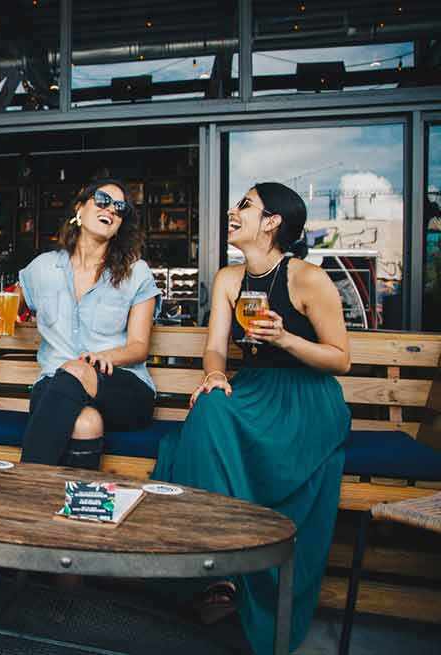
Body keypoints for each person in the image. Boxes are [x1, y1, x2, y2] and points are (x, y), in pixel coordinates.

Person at [153, 182, 351, 655]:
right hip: (253, 389)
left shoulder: (307, 279)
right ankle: (214, 571)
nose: (231, 211)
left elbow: (341, 359)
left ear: (272, 221)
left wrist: (286, 340)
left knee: (203, 427)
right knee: (209, 405)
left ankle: (233, 571)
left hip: (306, 399)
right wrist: (216, 374)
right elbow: (215, 347)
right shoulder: (228, 279)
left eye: (244, 205)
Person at [0, 180, 161, 470]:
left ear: (120, 225)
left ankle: (23, 485)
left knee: (76, 369)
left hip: (121, 387)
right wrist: (8, 315)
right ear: (79, 208)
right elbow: (13, 302)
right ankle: (76, 509)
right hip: (55, 387)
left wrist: (102, 358)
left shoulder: (137, 273)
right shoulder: (43, 268)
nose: (111, 209)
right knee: (85, 423)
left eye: (120, 208)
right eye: (102, 200)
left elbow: (138, 347)